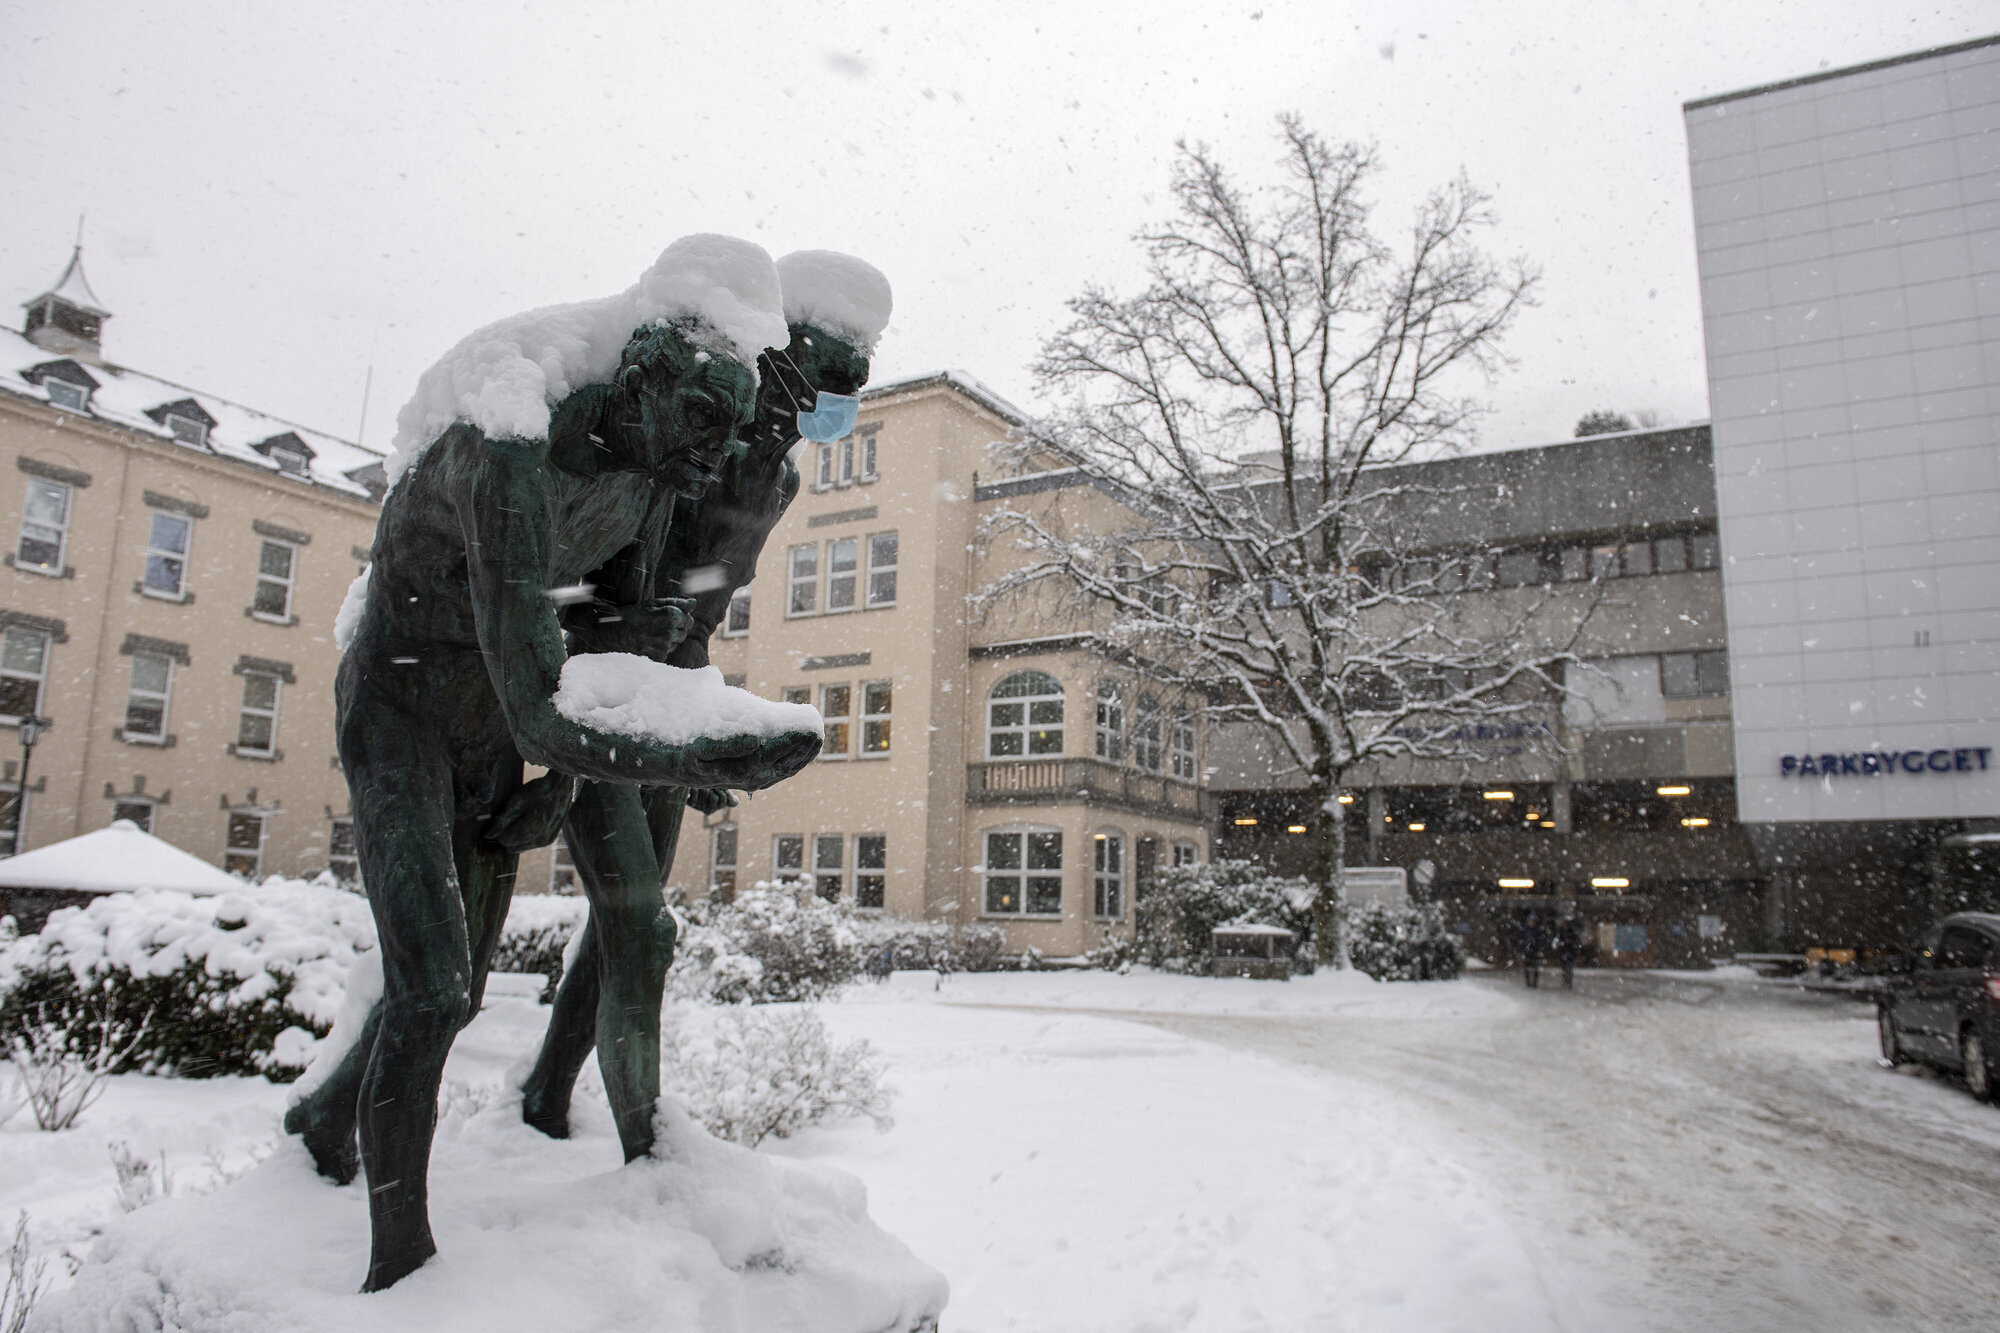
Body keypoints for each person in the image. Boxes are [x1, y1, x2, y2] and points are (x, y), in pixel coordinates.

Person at [284, 240, 822, 1292]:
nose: (714, 457)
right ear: (643, 378)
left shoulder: (659, 465)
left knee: (461, 987)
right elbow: (544, 701)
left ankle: (322, 1121)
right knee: (433, 988)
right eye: (703, 424)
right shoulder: (507, 437)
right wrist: (696, 750)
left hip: (498, 718)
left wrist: (569, 785)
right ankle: (402, 1270)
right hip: (401, 707)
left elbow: (601, 646)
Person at [520, 251, 891, 1155]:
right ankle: (652, 1155)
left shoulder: (780, 478)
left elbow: (709, 597)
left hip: (678, 690)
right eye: (824, 378)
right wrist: (611, 624)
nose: (827, 407)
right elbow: (566, 566)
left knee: (624, 931)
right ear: (781, 354)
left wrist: (704, 717)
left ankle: (543, 1095)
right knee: (642, 924)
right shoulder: (684, 434)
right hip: (605, 687)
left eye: (851, 386)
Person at [1518, 911, 1547, 989]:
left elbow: (1541, 940)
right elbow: (1521, 939)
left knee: (1535, 968)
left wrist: (1535, 945)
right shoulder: (1525, 930)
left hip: (1535, 951)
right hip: (1527, 951)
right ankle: (1528, 982)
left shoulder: (1538, 930)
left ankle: (1534, 983)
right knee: (1527, 968)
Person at [1554, 914, 1583, 990]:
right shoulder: (1560, 931)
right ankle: (1566, 981)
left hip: (1570, 952)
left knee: (1569, 968)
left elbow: (1576, 941)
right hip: (1564, 952)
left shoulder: (1571, 931)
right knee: (1565, 968)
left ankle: (1568, 982)